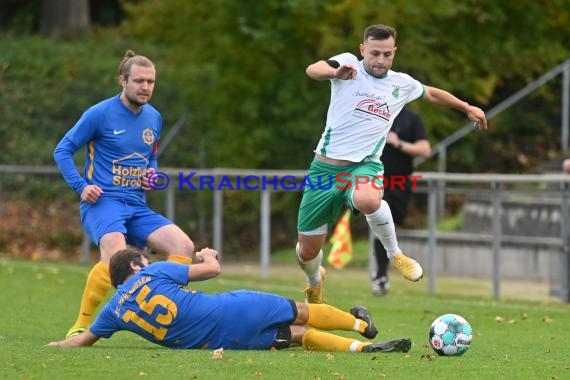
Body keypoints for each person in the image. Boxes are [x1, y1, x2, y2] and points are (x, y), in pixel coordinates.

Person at [298, 24, 487, 303]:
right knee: (307, 252)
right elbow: (313, 69)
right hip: (324, 171)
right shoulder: (349, 65)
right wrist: (333, 72)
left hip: (364, 165)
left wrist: (466, 107)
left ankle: (395, 254)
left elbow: (432, 93)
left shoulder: (401, 83)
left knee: (368, 200)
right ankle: (315, 281)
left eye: (387, 54)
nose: (381, 60)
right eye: (375, 53)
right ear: (363, 49)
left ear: (394, 52)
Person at [53, 50, 195, 338]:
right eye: (139, 81)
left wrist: (151, 174)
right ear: (123, 80)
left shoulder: (154, 117)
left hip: (136, 204)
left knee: (184, 246)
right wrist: (82, 187)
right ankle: (81, 325)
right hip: (103, 203)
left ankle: (170, 311)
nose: (145, 87)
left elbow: (150, 156)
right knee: (117, 256)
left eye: (151, 82)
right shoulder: (99, 114)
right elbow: (62, 150)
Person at [47, 248, 412, 353]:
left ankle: (361, 351)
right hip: (229, 307)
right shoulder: (151, 272)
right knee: (303, 311)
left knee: (298, 334)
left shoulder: (114, 310)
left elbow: (83, 339)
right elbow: (212, 271)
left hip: (218, 343)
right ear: (137, 265)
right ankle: (362, 326)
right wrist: (207, 255)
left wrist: (56, 344)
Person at [369, 106, 431, 296]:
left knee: (392, 225)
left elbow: (425, 150)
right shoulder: (373, 111)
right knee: (381, 221)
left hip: (401, 181)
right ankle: (380, 275)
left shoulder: (411, 117)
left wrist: (398, 143)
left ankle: (382, 272)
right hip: (375, 179)